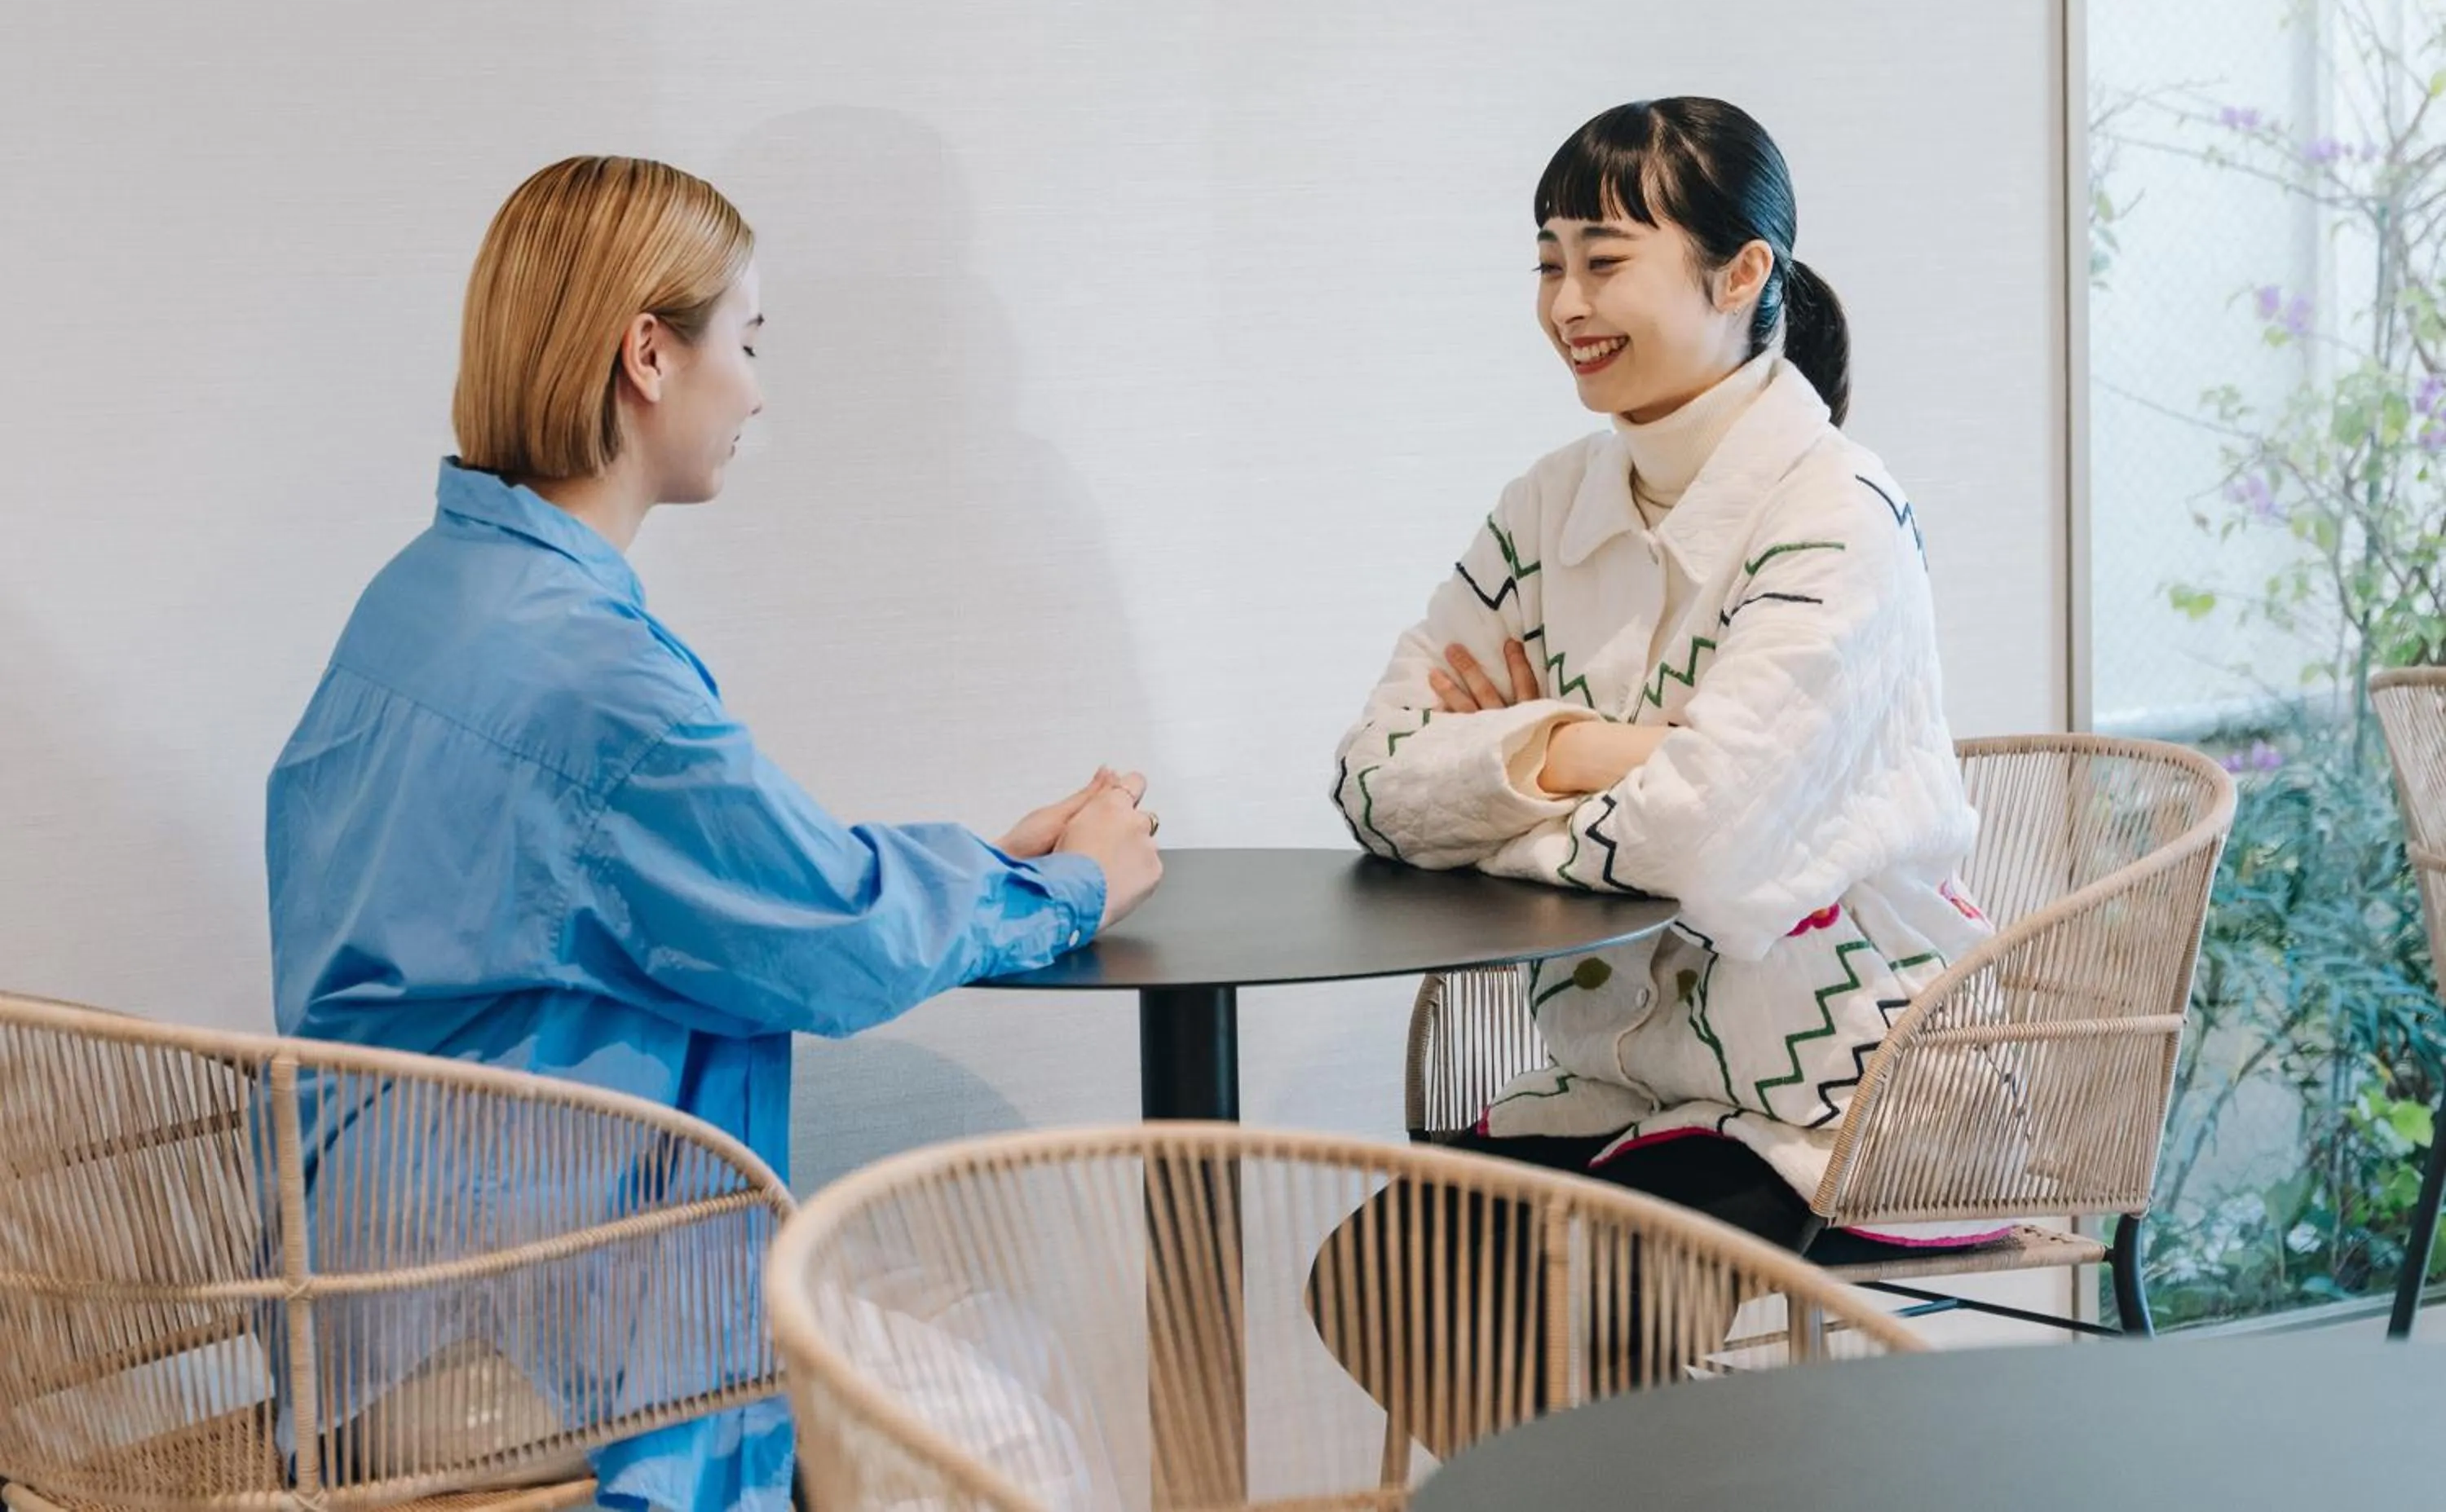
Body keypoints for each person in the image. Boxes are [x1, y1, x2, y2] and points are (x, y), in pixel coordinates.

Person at [267, 155, 1162, 1512]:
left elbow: (717, 877)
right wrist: (1080, 882)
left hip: (364, 1302)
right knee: (1003, 1447)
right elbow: (836, 940)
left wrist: (999, 862)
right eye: (744, 339)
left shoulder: (425, 599)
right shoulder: (587, 677)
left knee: (1000, 1342)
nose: (756, 385)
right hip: (524, 1318)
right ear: (648, 355)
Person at [1321, 99, 1993, 1428]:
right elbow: (1369, 777)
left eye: (1605, 258)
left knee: (1572, 1320)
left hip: (1849, 1092)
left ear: (1742, 274)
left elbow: (1700, 840)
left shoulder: (1839, 516)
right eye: (1548, 259)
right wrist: (1593, 748)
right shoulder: (1548, 503)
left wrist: (1503, 766)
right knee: (1378, 1277)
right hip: (1628, 1074)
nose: (1566, 299)